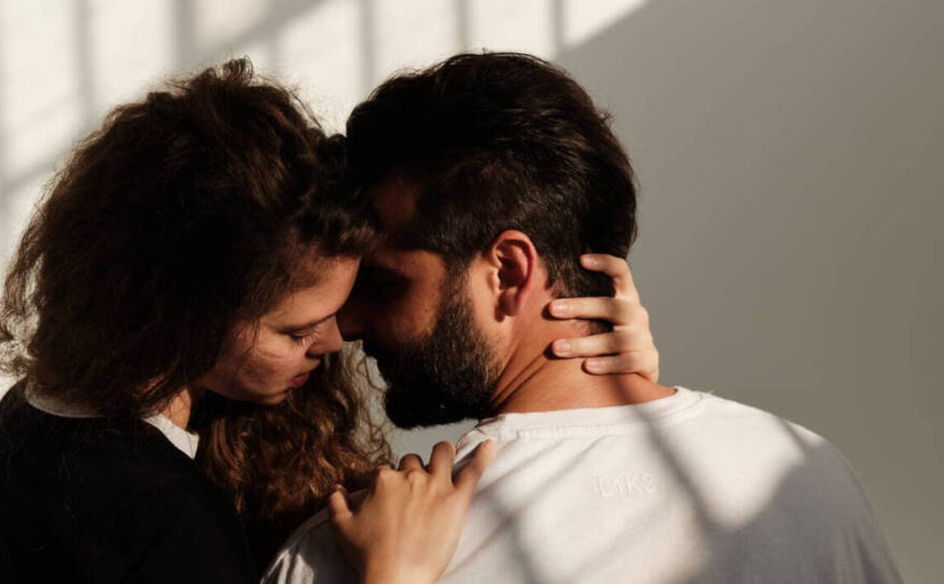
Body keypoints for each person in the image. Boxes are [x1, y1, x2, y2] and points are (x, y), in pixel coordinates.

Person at [0, 59, 660, 583]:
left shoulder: (43, 409)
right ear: (187, 316)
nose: (336, 336)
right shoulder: (163, 519)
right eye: (295, 331)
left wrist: (608, 391)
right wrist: (395, 576)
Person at [267, 53, 903, 583]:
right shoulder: (807, 478)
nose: (347, 326)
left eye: (384, 284)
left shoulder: (345, 553)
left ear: (509, 272)